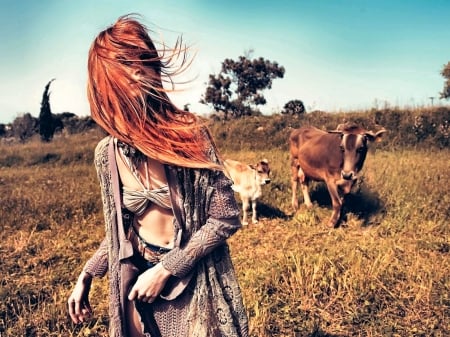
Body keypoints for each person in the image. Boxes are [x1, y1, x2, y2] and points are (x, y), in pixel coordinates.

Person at [67, 14, 248, 337]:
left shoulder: (188, 135)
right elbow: (119, 231)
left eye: (141, 58)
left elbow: (225, 217)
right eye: (123, 62)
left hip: (190, 277)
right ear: (104, 78)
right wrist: (87, 274)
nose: (136, 70)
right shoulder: (106, 155)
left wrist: (166, 269)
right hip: (135, 279)